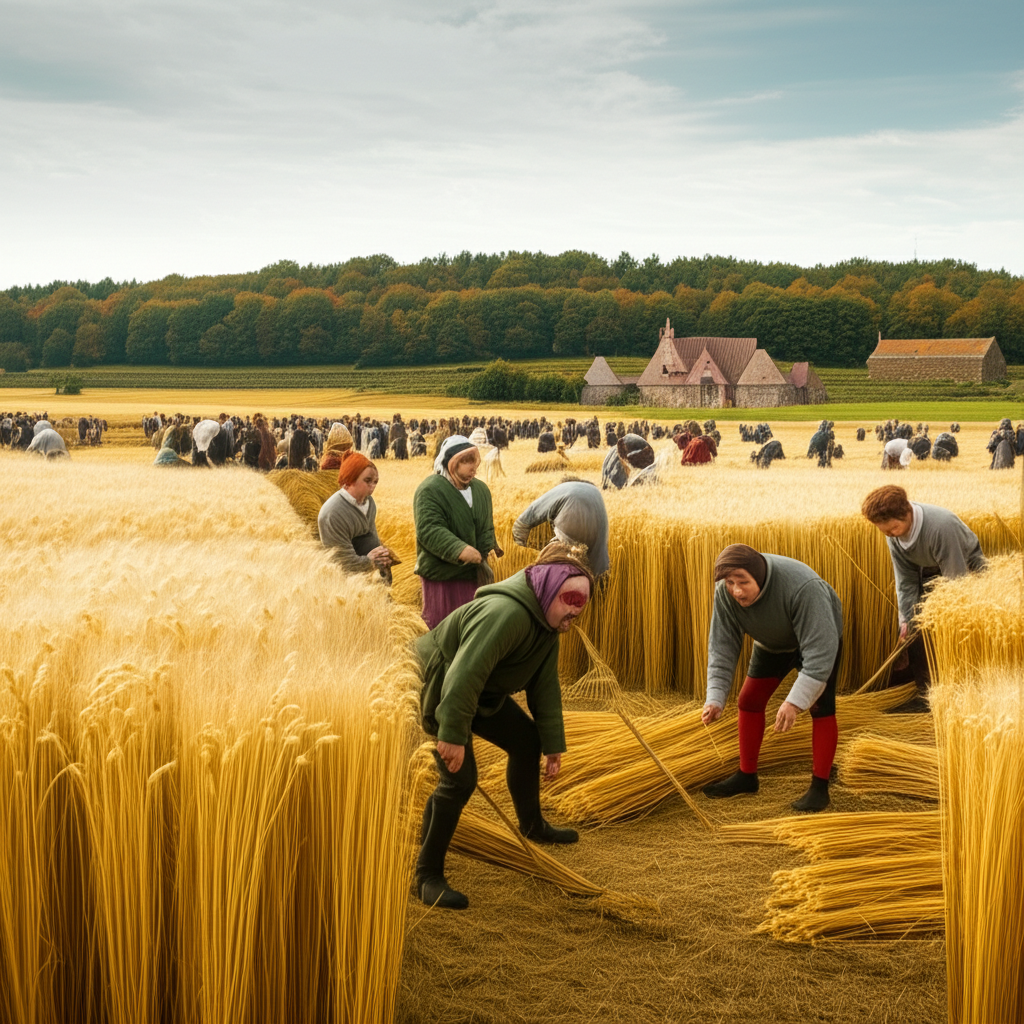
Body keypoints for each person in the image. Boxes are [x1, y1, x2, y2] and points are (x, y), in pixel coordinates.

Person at [414, 543, 593, 909]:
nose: (576, 609)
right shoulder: (506, 613)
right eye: (570, 598)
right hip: (441, 687)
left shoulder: (548, 622)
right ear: (547, 586)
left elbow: (544, 686)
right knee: (460, 779)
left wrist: (552, 743)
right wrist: (451, 734)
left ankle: (532, 825)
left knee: (527, 742)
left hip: (481, 694)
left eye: (583, 602)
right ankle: (426, 874)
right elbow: (465, 673)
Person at [700, 544, 842, 813]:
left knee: (820, 708)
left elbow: (819, 658)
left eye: (743, 582)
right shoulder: (726, 594)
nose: (736, 590)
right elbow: (722, 646)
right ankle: (746, 776)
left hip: (819, 641)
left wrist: (794, 702)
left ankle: (819, 788)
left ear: (759, 577)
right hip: (772, 644)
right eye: (730, 583)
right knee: (749, 700)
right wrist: (715, 698)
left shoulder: (804, 588)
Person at [860, 485, 986, 684]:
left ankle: (958, 681)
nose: (891, 534)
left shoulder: (941, 527)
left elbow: (957, 581)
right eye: (885, 532)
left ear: (907, 512)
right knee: (915, 627)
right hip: (926, 570)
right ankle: (926, 688)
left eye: (893, 528)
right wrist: (906, 619)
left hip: (965, 567)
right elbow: (905, 580)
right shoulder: (894, 537)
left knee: (950, 626)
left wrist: (952, 620)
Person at [414, 435, 502, 629]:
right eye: (466, 462)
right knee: (442, 625)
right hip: (442, 576)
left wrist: (490, 546)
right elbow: (429, 529)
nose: (473, 467)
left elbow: (486, 525)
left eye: (474, 462)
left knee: (470, 627)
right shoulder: (430, 490)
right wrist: (460, 550)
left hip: (472, 575)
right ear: (451, 463)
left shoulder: (481, 490)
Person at [317, 454, 394, 581]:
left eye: (375, 482)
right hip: (346, 584)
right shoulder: (333, 514)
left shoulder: (370, 503)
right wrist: (370, 562)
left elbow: (371, 536)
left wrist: (383, 555)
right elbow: (343, 563)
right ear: (349, 480)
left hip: (371, 577)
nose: (373, 486)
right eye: (367, 480)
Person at [512, 479, 610, 578]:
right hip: (599, 538)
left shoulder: (559, 490)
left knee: (559, 566)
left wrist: (523, 549)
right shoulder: (594, 491)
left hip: (570, 527)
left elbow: (522, 522)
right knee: (593, 566)